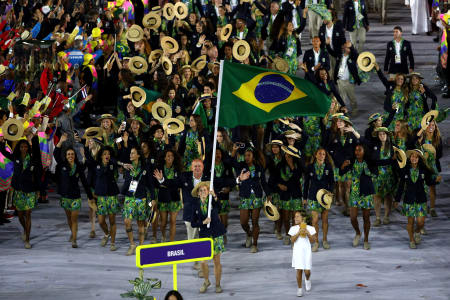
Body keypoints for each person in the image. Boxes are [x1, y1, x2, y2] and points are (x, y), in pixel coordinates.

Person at [0, 134, 42, 249]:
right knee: (19, 215)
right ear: (19, 148)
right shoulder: (15, 157)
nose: (24, 148)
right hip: (18, 190)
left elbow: (37, 175)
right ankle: (25, 228)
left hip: (30, 190)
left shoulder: (33, 159)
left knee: (28, 214)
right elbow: (4, 152)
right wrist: (2, 142)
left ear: (28, 148)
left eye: (25, 147)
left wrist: (38, 190)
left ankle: (27, 239)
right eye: (22, 147)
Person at [54, 133, 94, 248]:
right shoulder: (62, 165)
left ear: (75, 156)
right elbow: (56, 154)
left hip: (75, 197)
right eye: (68, 154)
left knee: (74, 218)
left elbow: (85, 183)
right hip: (65, 196)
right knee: (69, 218)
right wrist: (60, 142)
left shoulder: (79, 167)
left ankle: (74, 240)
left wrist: (90, 197)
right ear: (66, 156)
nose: (70, 156)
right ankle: (72, 233)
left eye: (72, 154)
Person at [395, 149, 440, 249]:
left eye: (416, 156)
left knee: (421, 223)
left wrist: (435, 180)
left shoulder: (424, 170)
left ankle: (417, 231)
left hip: (421, 199)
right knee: (410, 222)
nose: (414, 158)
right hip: (409, 200)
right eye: (412, 156)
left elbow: (429, 182)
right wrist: (397, 199)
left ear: (419, 159)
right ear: (409, 158)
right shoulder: (405, 170)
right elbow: (401, 186)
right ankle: (411, 240)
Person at [191, 181, 226, 294]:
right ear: (198, 193)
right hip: (204, 235)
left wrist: (215, 195)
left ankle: (217, 284)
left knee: (216, 261)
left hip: (216, 234)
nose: (203, 192)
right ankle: (206, 281)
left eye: (205, 190)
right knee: (203, 262)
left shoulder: (213, 201)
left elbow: (220, 208)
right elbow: (193, 223)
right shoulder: (195, 205)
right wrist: (203, 222)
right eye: (201, 191)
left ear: (208, 191)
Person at [120, 146, 155, 256]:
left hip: (141, 198)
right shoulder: (128, 167)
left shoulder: (145, 168)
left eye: (133, 153)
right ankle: (132, 244)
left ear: (138, 155)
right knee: (127, 221)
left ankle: (140, 246)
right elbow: (127, 181)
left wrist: (153, 198)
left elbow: (150, 184)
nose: (130, 155)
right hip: (129, 197)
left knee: (141, 224)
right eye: (130, 153)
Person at [340, 143, 376, 250]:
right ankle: (358, 233)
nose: (357, 152)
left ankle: (366, 240)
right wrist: (342, 167)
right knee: (353, 217)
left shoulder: (368, 162)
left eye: (359, 150)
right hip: (355, 192)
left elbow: (375, 174)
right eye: (356, 150)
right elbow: (342, 172)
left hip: (366, 192)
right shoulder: (352, 162)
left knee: (366, 218)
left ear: (364, 151)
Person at [234, 146, 270, 253]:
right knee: (243, 222)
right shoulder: (241, 166)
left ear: (253, 157)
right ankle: (249, 233)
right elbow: (231, 162)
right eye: (245, 156)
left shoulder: (259, 168)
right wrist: (234, 151)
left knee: (255, 221)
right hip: (245, 196)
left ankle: (255, 244)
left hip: (256, 197)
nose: (247, 157)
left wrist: (268, 194)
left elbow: (263, 182)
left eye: (249, 155)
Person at [303, 147, 335, 251]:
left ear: (325, 156)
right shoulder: (310, 167)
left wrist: (330, 192)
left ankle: (325, 240)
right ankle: (316, 242)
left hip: (325, 197)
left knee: (325, 219)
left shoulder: (329, 167)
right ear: (315, 155)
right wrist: (304, 197)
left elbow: (332, 182)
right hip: (313, 196)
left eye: (323, 154)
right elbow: (306, 183)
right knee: (315, 220)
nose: (321, 156)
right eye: (320, 154)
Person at [93, 146, 120, 251]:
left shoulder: (112, 164)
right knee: (100, 221)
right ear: (101, 156)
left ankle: (113, 242)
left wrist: (110, 160)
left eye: (108, 154)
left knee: (112, 221)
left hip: (112, 195)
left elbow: (115, 160)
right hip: (101, 197)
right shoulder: (97, 166)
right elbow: (100, 172)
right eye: (104, 154)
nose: (107, 156)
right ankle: (107, 233)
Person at [153, 149, 183, 242]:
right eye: (168, 156)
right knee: (163, 222)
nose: (170, 158)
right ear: (165, 158)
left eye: (172, 156)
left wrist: (163, 182)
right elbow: (156, 184)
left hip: (174, 198)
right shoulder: (159, 168)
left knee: (173, 222)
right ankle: (163, 236)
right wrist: (169, 184)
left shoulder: (178, 169)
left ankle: (171, 242)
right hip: (163, 197)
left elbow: (178, 183)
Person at [289, 211, 315, 297]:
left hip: (307, 251)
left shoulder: (310, 228)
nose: (295, 218)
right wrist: (298, 233)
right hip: (297, 252)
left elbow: (312, 241)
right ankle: (299, 289)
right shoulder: (293, 228)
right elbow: (292, 240)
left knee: (307, 271)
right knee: (299, 270)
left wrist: (308, 233)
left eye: (297, 216)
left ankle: (307, 279)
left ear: (303, 218)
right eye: (294, 217)